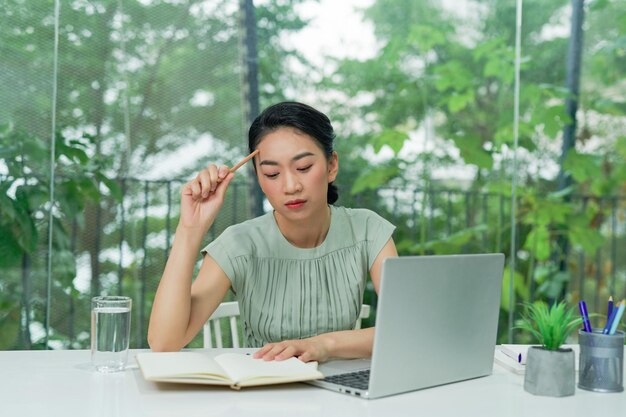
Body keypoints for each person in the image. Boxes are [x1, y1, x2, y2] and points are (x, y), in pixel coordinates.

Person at [147, 101, 398, 363]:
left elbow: (406, 327)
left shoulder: (368, 230)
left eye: (303, 168)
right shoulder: (239, 243)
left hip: (345, 392)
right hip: (262, 393)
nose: (290, 186)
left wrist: (324, 345)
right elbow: (164, 343)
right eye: (272, 173)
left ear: (331, 165)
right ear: (259, 178)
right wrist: (190, 229)